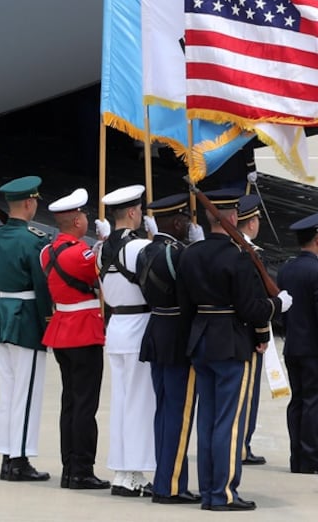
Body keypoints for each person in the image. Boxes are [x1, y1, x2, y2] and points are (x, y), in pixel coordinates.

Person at [176, 190, 291, 511]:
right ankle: (222, 493)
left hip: (201, 341)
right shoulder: (238, 257)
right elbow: (251, 308)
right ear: (233, 218)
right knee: (229, 422)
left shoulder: (191, 254)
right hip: (231, 343)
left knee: (209, 420)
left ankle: (209, 487)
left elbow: (186, 306)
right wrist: (277, 305)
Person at [40, 188, 109, 490]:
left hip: (61, 329)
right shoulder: (80, 254)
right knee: (84, 405)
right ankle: (81, 469)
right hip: (83, 331)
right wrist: (105, 244)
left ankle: (70, 466)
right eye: (83, 215)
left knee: (70, 402)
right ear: (76, 221)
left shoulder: (47, 252)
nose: (87, 219)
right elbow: (102, 274)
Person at [136, 193, 202, 505]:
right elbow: (194, 296)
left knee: (164, 410)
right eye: (187, 221)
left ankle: (164, 479)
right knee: (179, 411)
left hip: (156, 332)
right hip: (178, 335)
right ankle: (171, 485)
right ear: (177, 222)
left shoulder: (145, 251)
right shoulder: (181, 254)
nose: (190, 226)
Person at [98, 184, 156, 497]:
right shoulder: (138, 248)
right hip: (138, 326)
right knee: (138, 404)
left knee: (122, 402)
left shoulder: (100, 249)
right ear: (133, 213)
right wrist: (156, 240)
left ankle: (124, 471)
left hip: (116, 325)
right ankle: (131, 472)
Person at [276, 211, 318, 475]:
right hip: (315, 349)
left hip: (293, 346)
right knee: (315, 403)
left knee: (299, 401)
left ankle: (298, 456)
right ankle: (312, 457)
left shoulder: (287, 268)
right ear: (317, 240)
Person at [0, 176, 51, 482]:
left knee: (7, 392)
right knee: (27, 392)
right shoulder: (34, 241)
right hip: (26, 319)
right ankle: (19, 460)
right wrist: (48, 321)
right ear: (30, 204)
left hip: (2, 315)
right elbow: (42, 288)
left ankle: (8, 455)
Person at [235, 195, 267, 466]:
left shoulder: (236, 249)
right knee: (247, 394)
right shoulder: (251, 254)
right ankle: (242, 445)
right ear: (252, 223)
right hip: (246, 335)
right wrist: (262, 334)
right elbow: (257, 298)